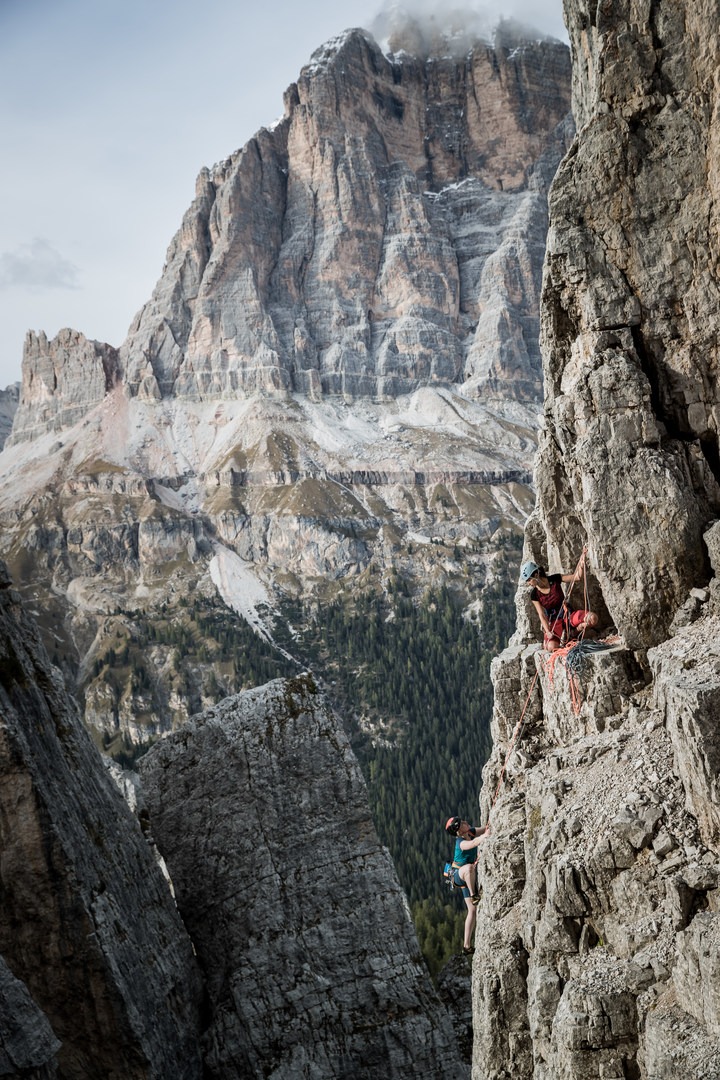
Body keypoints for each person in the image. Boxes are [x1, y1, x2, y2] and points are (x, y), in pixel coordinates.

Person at [520, 556, 598, 653]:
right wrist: (548, 631)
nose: (528, 583)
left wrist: (581, 564)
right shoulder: (534, 594)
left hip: (567, 614)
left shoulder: (555, 579)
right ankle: (571, 633)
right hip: (553, 622)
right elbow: (541, 615)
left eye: (528, 580)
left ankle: (574, 632)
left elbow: (577, 577)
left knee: (592, 618)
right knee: (552, 647)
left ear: (536, 575)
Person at [445, 815, 489, 955]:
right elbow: (474, 843)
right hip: (459, 875)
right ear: (459, 831)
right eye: (462, 823)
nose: (465, 822)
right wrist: (485, 836)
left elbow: (484, 829)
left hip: (465, 877)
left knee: (472, 911)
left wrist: (487, 830)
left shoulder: (470, 831)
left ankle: (466, 945)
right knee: (469, 868)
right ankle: (474, 894)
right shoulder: (461, 843)